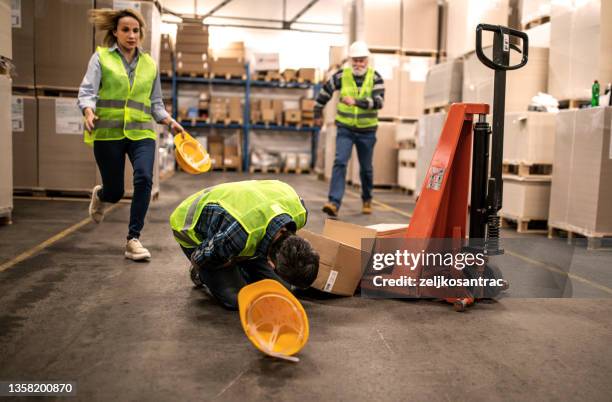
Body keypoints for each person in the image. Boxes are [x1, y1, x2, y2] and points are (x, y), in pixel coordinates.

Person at [78, 8, 184, 261]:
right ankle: (102, 195)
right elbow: (87, 90)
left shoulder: (149, 64)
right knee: (115, 192)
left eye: (135, 30)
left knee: (144, 179)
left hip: (142, 133)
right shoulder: (101, 58)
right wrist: (88, 111)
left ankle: (133, 239)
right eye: (125, 30)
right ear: (115, 32)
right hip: (108, 133)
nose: (131, 35)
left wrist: (169, 121)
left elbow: (155, 102)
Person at [169, 180, 320, 310]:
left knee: (282, 290)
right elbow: (199, 257)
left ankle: (241, 263)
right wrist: (232, 260)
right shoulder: (239, 234)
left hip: (245, 225)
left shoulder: (300, 212)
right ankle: (203, 276)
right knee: (237, 299)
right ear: (271, 263)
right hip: (192, 230)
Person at [314, 41, 385, 217]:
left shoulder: (375, 78)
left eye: (361, 60)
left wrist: (357, 102)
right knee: (340, 162)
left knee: (366, 168)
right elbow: (325, 91)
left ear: (367, 61)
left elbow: (379, 102)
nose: (358, 64)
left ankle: (367, 198)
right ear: (350, 61)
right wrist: (317, 111)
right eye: (355, 60)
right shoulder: (341, 76)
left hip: (367, 131)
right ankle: (333, 202)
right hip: (345, 128)